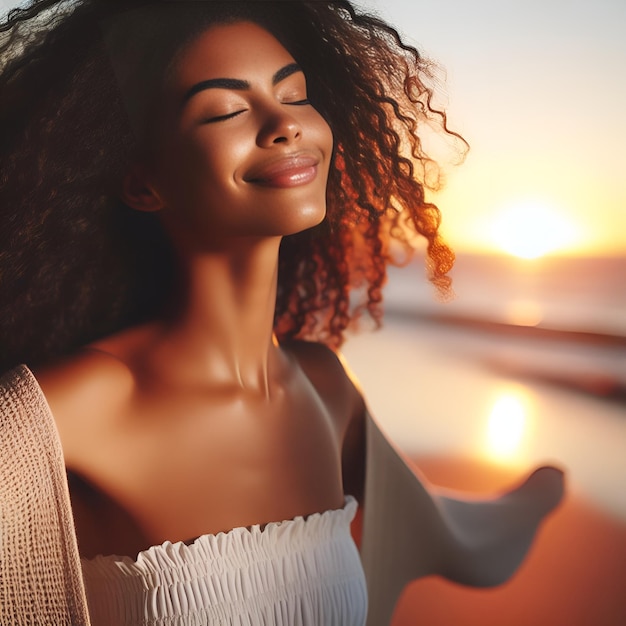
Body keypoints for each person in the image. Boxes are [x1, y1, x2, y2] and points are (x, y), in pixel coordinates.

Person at [0, 1, 563, 625]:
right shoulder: (63, 414)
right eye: (224, 110)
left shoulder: (326, 392)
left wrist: (539, 495)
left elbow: (460, 538)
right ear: (143, 182)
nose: (284, 125)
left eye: (294, 95)